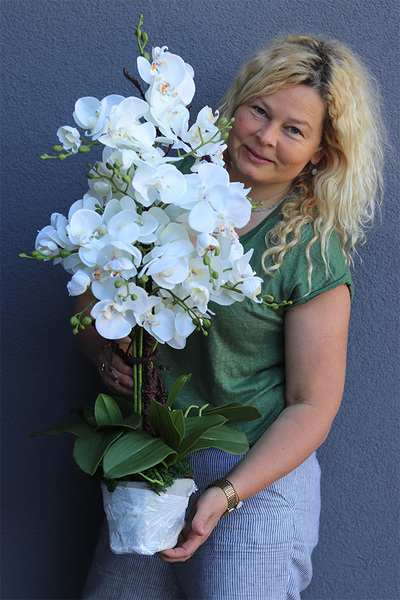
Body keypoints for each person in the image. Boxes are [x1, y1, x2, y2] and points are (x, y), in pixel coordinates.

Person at [78, 34, 384, 599]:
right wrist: (106, 357)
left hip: (255, 481)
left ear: (320, 150)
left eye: (294, 129)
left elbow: (313, 403)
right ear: (236, 106)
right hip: (153, 458)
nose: (266, 137)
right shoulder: (165, 186)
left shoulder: (309, 250)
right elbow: (93, 293)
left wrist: (227, 494)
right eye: (260, 111)